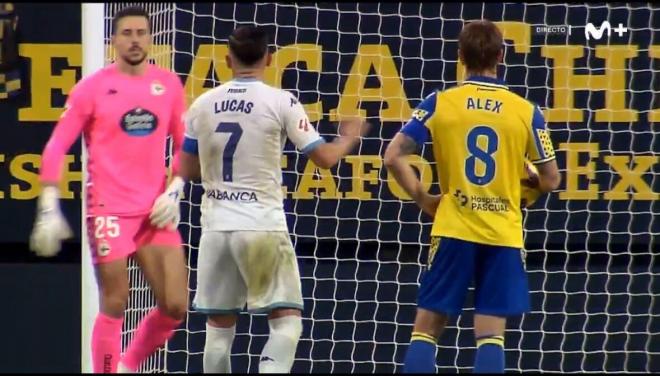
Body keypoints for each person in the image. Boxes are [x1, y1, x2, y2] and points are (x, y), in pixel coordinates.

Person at [179, 25, 370, 373]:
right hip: (261, 225)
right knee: (286, 321)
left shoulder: (202, 105)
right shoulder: (280, 101)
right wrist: (349, 137)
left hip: (215, 229)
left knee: (219, 330)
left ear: (227, 60)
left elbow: (187, 169)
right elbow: (324, 158)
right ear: (269, 59)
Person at [383, 20, 561, 373]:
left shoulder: (440, 102)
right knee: (491, 334)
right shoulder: (526, 111)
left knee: (427, 328)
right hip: (503, 233)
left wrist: (424, 199)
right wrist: (528, 181)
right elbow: (551, 180)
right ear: (501, 55)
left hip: (453, 227)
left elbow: (391, 156)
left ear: (460, 56)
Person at [29, 6, 189, 373]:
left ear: (150, 38)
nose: (134, 40)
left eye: (141, 33)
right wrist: (49, 205)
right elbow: (56, 146)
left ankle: (127, 365)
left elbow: (185, 146)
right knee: (116, 300)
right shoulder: (93, 88)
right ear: (114, 40)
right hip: (108, 209)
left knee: (176, 305)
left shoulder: (168, 85)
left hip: (154, 211)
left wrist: (175, 188)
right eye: (127, 33)